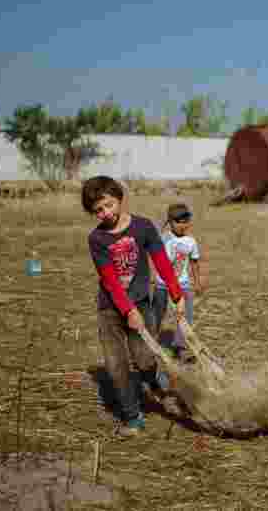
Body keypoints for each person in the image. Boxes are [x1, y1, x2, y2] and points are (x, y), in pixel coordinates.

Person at [82, 176, 190, 435]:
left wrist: (177, 294)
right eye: (98, 210)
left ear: (120, 198)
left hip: (141, 303)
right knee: (115, 364)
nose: (106, 213)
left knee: (144, 359)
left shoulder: (143, 227)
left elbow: (161, 261)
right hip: (110, 310)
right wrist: (127, 311)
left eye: (109, 205)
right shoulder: (97, 239)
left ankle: (153, 380)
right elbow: (110, 280)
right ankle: (132, 416)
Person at [151, 202, 204, 359]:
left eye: (185, 221)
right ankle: (149, 343)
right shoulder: (164, 238)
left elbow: (194, 262)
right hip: (162, 284)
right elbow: (152, 237)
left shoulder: (191, 241)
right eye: (177, 222)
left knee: (186, 315)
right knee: (157, 314)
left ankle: (180, 346)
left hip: (183, 284)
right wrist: (164, 222)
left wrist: (197, 282)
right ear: (170, 222)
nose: (182, 225)